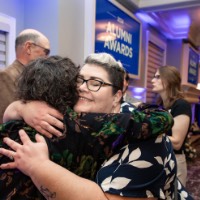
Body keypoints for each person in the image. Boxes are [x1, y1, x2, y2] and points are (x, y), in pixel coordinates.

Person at [0, 53, 193, 199]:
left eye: (96, 83)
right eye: (80, 80)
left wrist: (38, 167)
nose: (83, 87)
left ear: (117, 96)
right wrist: (23, 106)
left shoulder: (146, 138)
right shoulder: (64, 118)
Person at [151, 65, 192, 187]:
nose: (153, 80)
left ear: (169, 80)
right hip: (160, 159)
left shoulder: (181, 105)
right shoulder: (160, 105)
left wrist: (148, 134)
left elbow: (177, 142)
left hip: (174, 160)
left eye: (158, 77)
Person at [0, 28, 50, 123]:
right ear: (28, 48)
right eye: (46, 52)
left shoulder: (34, 78)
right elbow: (5, 120)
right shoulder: (5, 76)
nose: (47, 58)